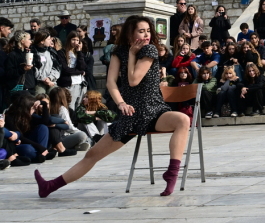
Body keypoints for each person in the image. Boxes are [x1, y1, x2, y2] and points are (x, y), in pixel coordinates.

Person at [34, 16, 191, 198]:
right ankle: (50, 186)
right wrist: (121, 103)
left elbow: (133, 80)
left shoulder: (150, 50)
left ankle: (171, 173)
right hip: (131, 114)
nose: (147, 35)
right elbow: (111, 83)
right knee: (92, 154)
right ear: (131, 33)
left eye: (148, 31)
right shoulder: (119, 52)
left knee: (183, 120)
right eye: (141, 31)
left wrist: (133, 54)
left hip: (154, 111)